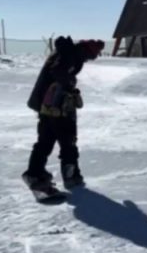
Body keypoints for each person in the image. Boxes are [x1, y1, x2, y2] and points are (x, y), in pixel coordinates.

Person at [22, 36, 105, 195]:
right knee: (68, 142)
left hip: (46, 106)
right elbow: (58, 72)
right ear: (87, 52)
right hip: (57, 107)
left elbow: (57, 74)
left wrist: (70, 88)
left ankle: (35, 174)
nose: (89, 60)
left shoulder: (67, 52)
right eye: (92, 57)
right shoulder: (69, 55)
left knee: (45, 142)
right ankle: (71, 177)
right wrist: (69, 87)